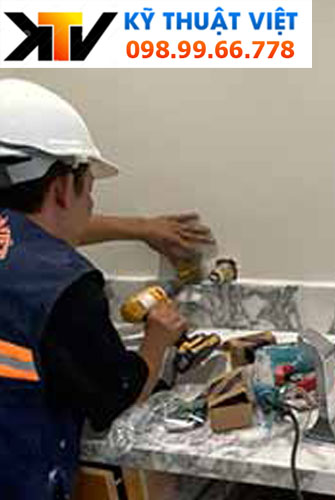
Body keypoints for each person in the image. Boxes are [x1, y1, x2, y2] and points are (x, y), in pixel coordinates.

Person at [0, 78, 207, 499]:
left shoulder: (25, 251)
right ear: (62, 188)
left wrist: (141, 228)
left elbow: (40, 233)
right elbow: (116, 399)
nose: (92, 205)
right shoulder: (66, 286)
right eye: (90, 191)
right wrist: (157, 341)